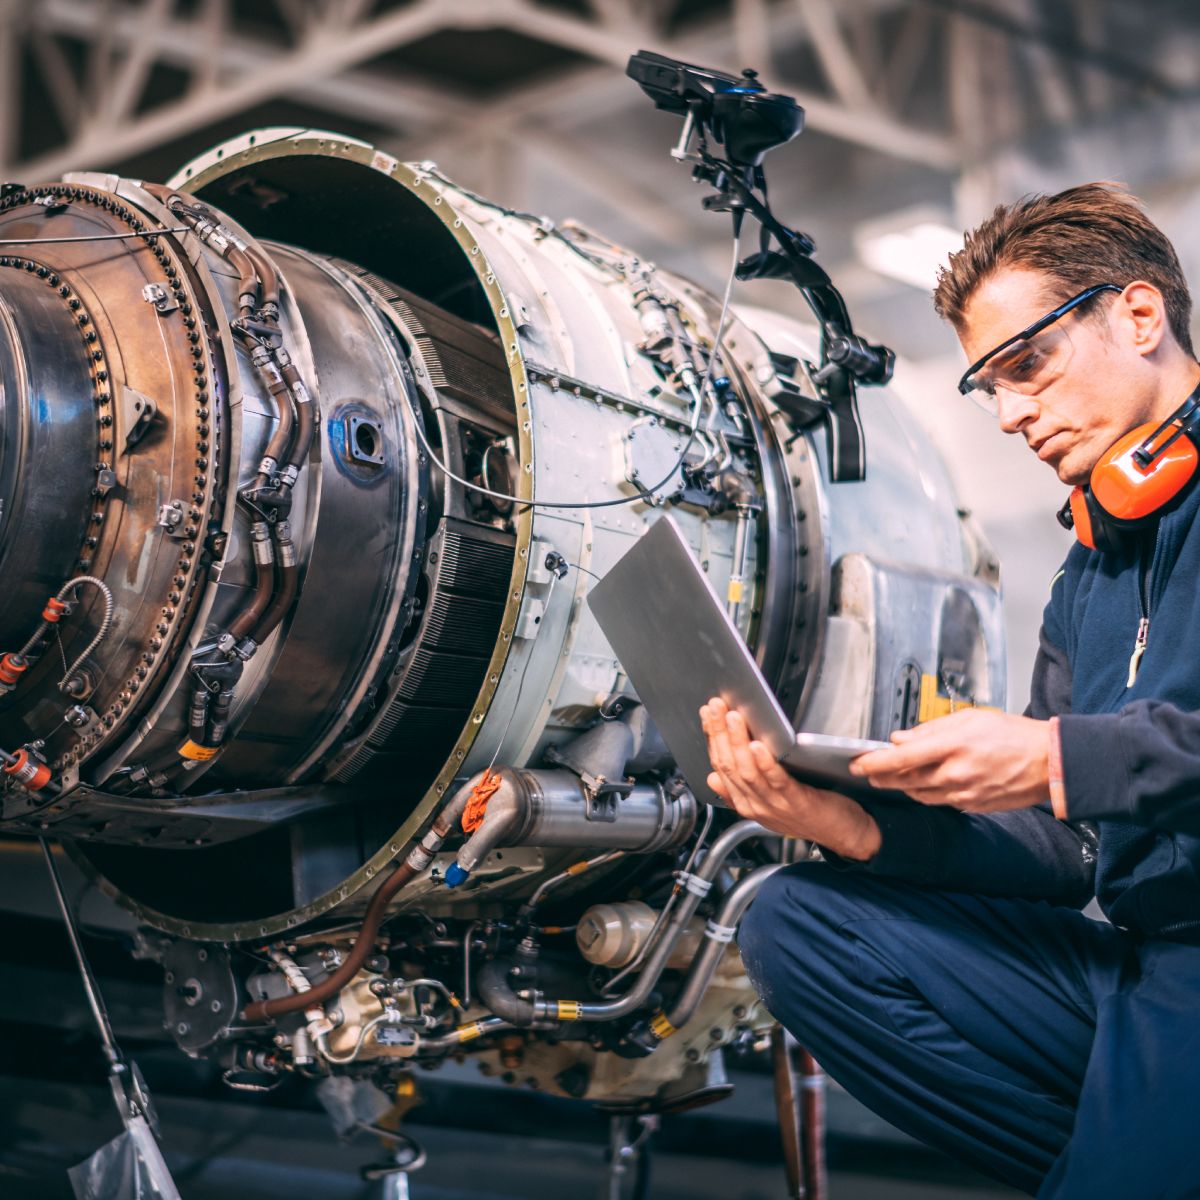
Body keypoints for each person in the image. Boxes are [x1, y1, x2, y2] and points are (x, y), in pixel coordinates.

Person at [701, 183, 1200, 1199]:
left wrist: (1052, 758)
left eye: (1029, 364)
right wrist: (845, 823)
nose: (1011, 415)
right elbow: (1067, 852)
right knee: (798, 925)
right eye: (991, 386)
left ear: (1140, 315)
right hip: (1147, 966)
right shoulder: (1093, 568)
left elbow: (1074, 769)